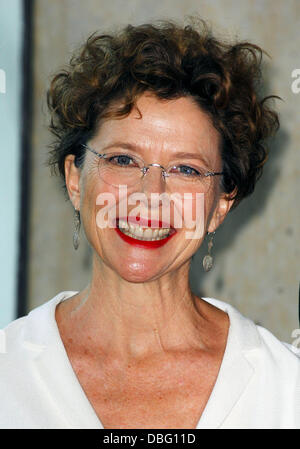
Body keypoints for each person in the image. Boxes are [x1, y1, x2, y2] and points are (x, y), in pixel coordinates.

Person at [1, 19, 299, 429]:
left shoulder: (285, 387)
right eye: (124, 160)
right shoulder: (7, 371)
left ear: (220, 205)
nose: (151, 195)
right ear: (74, 179)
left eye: (186, 169)